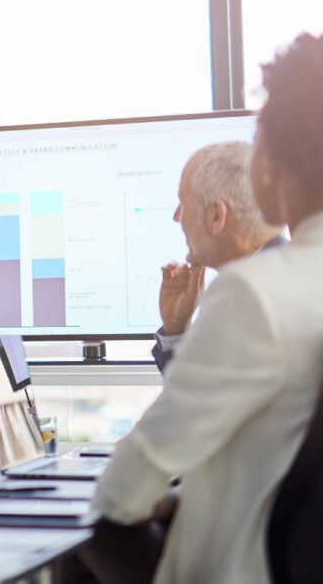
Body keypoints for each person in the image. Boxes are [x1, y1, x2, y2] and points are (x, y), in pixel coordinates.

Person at [85, 32, 323, 583]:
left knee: (99, 531)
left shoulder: (257, 292)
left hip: (237, 569)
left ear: (271, 165)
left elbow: (122, 491)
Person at [152, 141, 285, 372]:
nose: (176, 217)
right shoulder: (273, 278)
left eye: (182, 203)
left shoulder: (251, 300)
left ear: (216, 216)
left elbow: (196, 406)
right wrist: (175, 331)